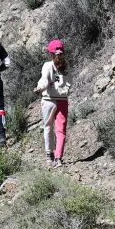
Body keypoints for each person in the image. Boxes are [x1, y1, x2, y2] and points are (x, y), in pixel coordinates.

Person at [35, 40, 71, 168]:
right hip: (62, 101)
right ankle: (58, 158)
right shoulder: (66, 67)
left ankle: (49, 156)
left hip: (48, 100)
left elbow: (44, 80)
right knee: (61, 131)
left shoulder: (47, 65)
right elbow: (69, 84)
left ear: (50, 53)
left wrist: (39, 88)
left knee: (48, 127)